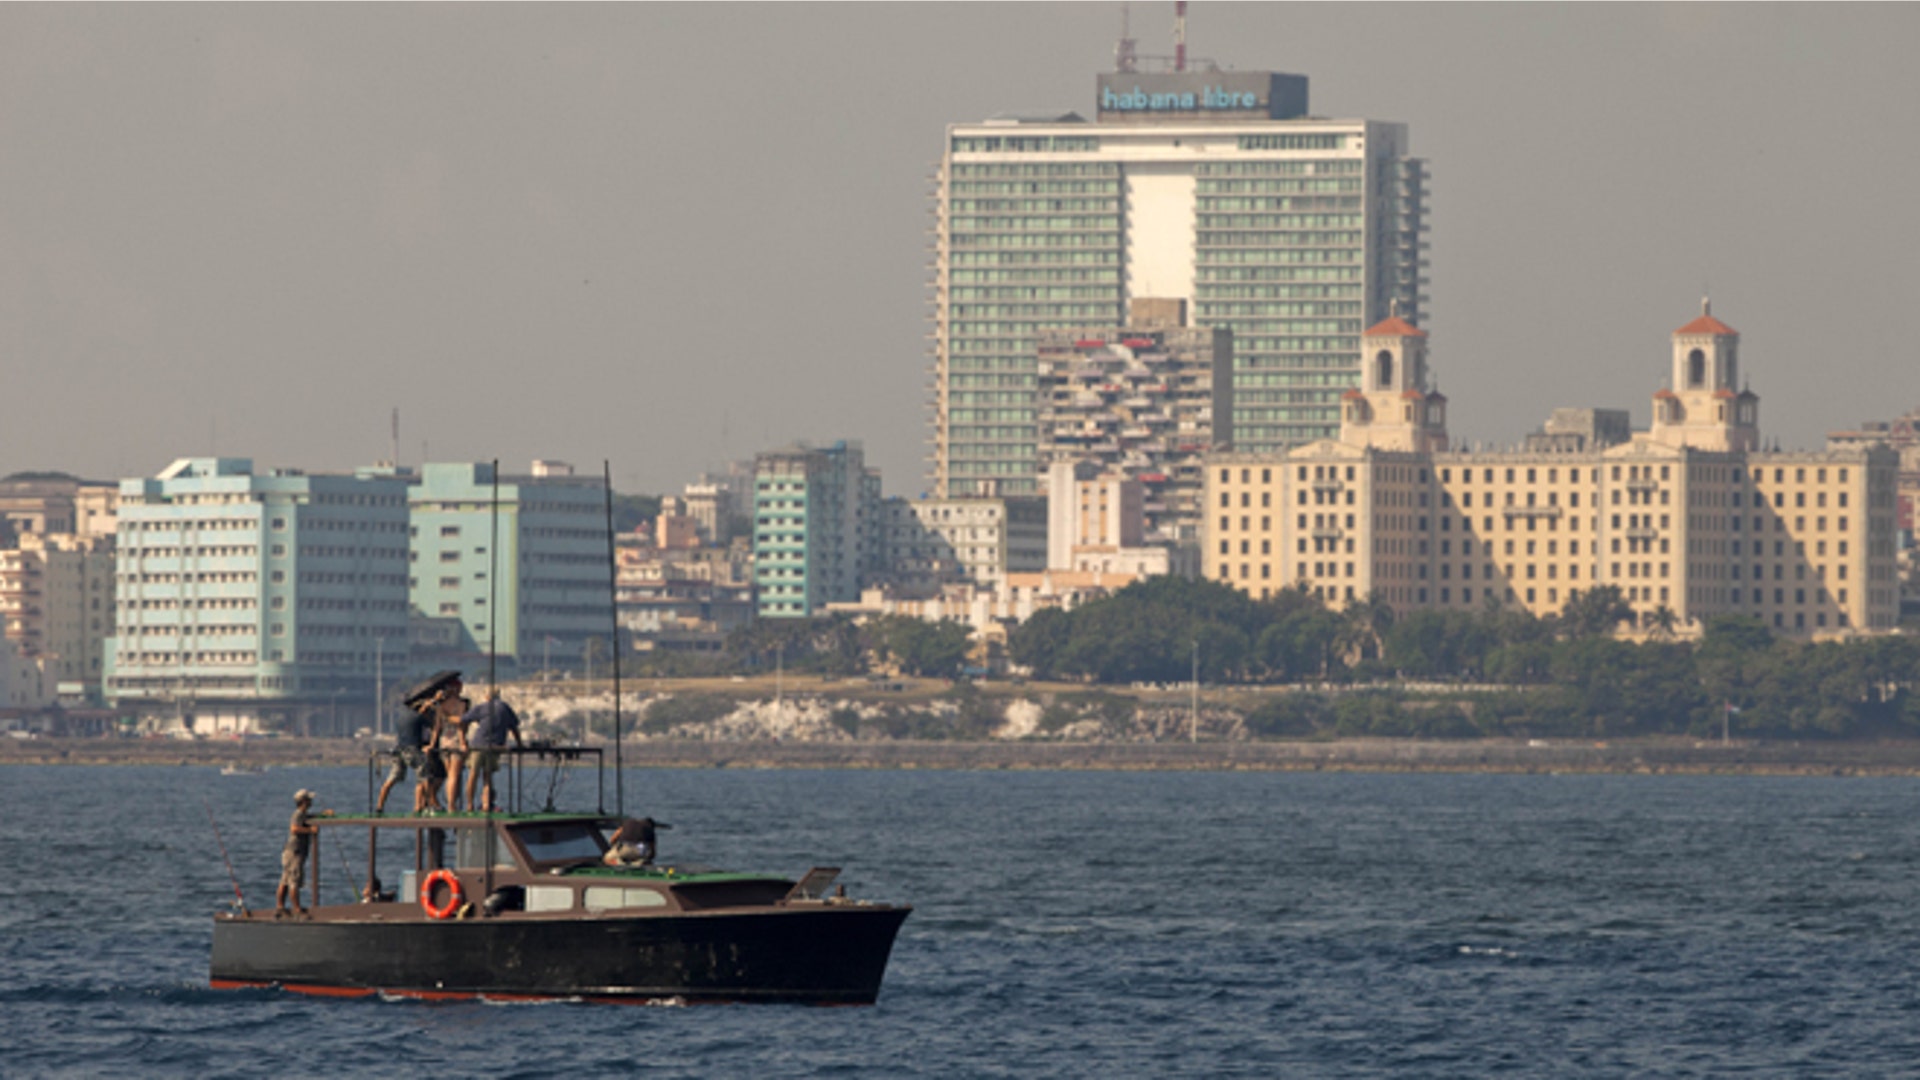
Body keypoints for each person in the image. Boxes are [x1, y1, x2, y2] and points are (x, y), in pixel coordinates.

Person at [274, 789, 332, 918]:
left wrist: (323, 814)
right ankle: (297, 909)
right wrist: (310, 830)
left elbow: (310, 817)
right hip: (295, 852)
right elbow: (294, 828)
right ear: (304, 801)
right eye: (309, 799)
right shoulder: (298, 814)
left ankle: (280, 907)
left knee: (285, 879)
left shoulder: (303, 815)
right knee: (293, 881)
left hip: (292, 852)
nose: (311, 801)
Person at [464, 690, 523, 812]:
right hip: (495, 746)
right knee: (488, 777)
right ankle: (486, 804)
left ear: (487, 696)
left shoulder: (482, 707)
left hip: (479, 745)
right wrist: (519, 744)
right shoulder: (505, 708)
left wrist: (446, 716)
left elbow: (464, 719)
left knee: (473, 775)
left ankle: (469, 805)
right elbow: (514, 727)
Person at [375, 695, 434, 814]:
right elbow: (432, 725)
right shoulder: (418, 716)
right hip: (412, 750)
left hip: (399, 750)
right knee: (423, 777)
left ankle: (379, 806)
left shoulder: (401, 716)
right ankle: (424, 806)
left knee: (391, 778)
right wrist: (428, 710)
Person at [436, 692, 471, 812]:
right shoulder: (461, 704)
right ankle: (451, 805)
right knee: (454, 775)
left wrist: (432, 744)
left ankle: (451, 802)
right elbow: (460, 727)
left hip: (444, 741)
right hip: (455, 741)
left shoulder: (440, 706)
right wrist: (463, 743)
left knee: (449, 775)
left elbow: (437, 727)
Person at [604, 816, 669, 867]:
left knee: (607, 858)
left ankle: (618, 863)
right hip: (640, 849)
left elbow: (613, 839)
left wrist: (614, 846)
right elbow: (652, 851)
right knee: (643, 856)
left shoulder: (628, 823)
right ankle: (639, 863)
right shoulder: (649, 829)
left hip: (625, 848)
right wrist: (648, 858)